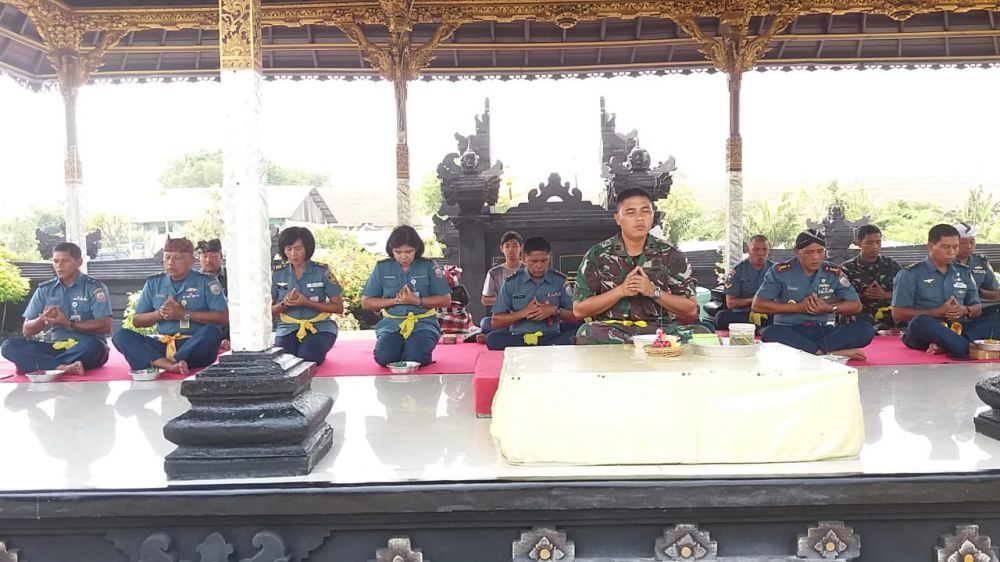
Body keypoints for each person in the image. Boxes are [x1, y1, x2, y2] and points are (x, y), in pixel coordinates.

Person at [572, 187, 702, 344]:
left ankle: (647, 345)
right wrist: (621, 291)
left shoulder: (671, 254)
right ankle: (643, 346)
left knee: (701, 332)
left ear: (653, 216)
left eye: (645, 211)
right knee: (587, 332)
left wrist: (653, 292)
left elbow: (690, 309)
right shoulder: (598, 255)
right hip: (613, 330)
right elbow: (579, 310)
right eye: (630, 212)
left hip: (659, 329)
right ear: (618, 218)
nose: (639, 218)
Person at [111, 237, 228, 374]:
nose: (171, 262)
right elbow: (137, 320)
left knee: (212, 332)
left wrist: (184, 314)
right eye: (167, 258)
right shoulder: (154, 283)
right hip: (164, 343)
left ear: (191, 261)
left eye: (177, 258)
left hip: (194, 344)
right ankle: (170, 365)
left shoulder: (206, 282)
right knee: (120, 336)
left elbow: (223, 317)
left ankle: (158, 361)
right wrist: (159, 314)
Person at [753, 229, 874, 360]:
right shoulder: (780, 272)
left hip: (822, 331)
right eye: (809, 252)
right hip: (789, 330)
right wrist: (798, 308)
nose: (815, 257)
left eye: (820, 251)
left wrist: (828, 308)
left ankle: (814, 352)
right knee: (770, 333)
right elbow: (758, 305)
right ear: (797, 252)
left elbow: (856, 305)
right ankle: (828, 353)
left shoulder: (832, 272)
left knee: (865, 329)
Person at [0, 242, 111, 375]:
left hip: (84, 346)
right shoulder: (45, 290)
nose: (59, 265)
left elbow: (106, 326)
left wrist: (68, 323)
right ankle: (61, 367)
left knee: (95, 347)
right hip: (54, 346)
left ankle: (36, 364)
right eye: (55, 261)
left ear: (79, 262)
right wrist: (42, 319)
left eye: (65, 261)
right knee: (9, 345)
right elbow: (27, 330)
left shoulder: (95, 288)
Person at [891, 223, 999, 358]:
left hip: (959, 327)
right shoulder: (909, 274)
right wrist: (937, 312)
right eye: (946, 247)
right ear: (931, 246)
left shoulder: (964, 272)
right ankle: (967, 346)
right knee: (919, 322)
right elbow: (897, 314)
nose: (952, 252)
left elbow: (977, 308)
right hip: (927, 330)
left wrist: (964, 310)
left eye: (955, 247)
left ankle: (949, 345)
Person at [362, 226, 451, 366]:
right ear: (391, 250)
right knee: (384, 358)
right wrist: (395, 301)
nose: (404, 256)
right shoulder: (382, 268)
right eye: (398, 252)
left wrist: (417, 301)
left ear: (417, 249)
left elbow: (445, 299)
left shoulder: (428, 266)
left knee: (417, 358)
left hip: (423, 323)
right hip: (391, 324)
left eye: (409, 251)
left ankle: (411, 350)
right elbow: (366, 302)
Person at [486, 236, 577, 350]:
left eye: (543, 261)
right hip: (519, 337)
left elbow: (575, 315)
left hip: (550, 335)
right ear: (524, 258)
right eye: (533, 261)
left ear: (549, 258)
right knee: (493, 338)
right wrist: (523, 313)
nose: (539, 266)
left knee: (578, 333)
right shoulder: (512, 282)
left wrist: (554, 311)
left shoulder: (559, 281)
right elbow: (495, 321)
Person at [271, 227, 343, 365]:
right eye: (288, 249)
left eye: (298, 249)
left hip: (320, 327)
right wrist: (284, 304)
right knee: (283, 361)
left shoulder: (322, 272)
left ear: (307, 248)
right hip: (288, 328)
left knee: (307, 358)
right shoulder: (277, 274)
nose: (293, 254)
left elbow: (338, 308)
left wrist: (308, 303)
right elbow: (268, 311)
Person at [839, 224, 901, 331]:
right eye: (870, 243)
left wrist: (886, 295)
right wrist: (863, 295)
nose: (875, 246)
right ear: (859, 243)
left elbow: (907, 291)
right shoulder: (847, 268)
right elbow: (838, 297)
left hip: (886, 312)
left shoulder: (891, 265)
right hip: (860, 313)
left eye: (878, 242)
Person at [716, 235, 775, 330]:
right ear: (748, 250)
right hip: (745, 314)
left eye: (764, 249)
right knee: (722, 317)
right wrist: (755, 300)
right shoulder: (736, 271)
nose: (761, 253)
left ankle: (762, 329)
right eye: (756, 249)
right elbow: (731, 303)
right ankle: (758, 329)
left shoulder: (775, 270)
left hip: (769, 312)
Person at [480, 230, 523, 333]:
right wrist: (507, 300)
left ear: (521, 247)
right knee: (485, 323)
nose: (511, 249)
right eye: (507, 246)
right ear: (501, 249)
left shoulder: (529, 271)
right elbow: (485, 300)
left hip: (524, 315)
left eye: (515, 246)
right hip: (503, 317)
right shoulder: (494, 273)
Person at [954, 222, 999, 314]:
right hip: (952, 310)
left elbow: (995, 294)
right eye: (963, 243)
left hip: (977, 310)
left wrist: (975, 290)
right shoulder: (945, 262)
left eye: (972, 242)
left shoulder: (981, 262)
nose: (968, 246)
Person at [197, 238, 230, 347]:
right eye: (204, 256)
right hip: (202, 334)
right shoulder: (193, 280)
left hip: (231, 332)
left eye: (213, 256)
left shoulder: (233, 278)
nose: (208, 260)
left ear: (221, 256)